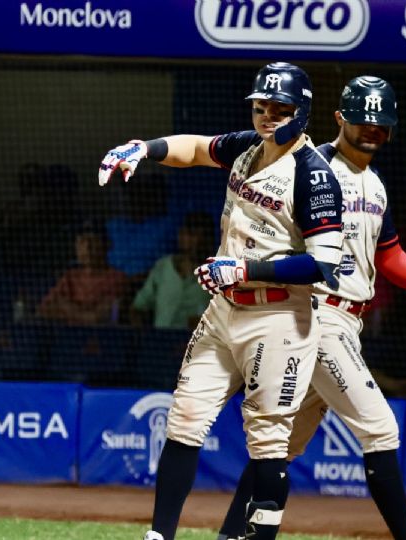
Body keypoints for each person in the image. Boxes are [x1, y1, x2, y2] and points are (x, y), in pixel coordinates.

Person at [98, 62, 344, 540]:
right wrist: (142, 149)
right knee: (184, 417)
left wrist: (243, 269)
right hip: (225, 310)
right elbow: (193, 149)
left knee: (269, 444)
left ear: (303, 111)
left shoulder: (313, 174)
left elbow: (323, 265)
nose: (268, 115)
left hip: (278, 317)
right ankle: (158, 535)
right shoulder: (249, 149)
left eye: (279, 108)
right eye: (260, 106)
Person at [216, 76, 406, 540]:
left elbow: (386, 251)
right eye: (362, 121)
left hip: (348, 318)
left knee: (279, 448)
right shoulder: (309, 165)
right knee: (380, 429)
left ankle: (230, 535)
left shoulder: (376, 183)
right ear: (339, 118)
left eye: (380, 124)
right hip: (315, 314)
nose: (371, 130)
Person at [130, 212, 214, 331]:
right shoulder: (163, 267)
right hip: (161, 344)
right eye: (190, 234)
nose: (195, 241)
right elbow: (138, 307)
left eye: (200, 236)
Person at [36, 219, 127, 325]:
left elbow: (97, 318)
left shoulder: (117, 277)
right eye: (82, 241)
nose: (87, 247)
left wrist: (65, 306)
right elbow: (43, 310)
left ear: (106, 245)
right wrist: (83, 314)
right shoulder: (70, 276)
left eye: (93, 240)